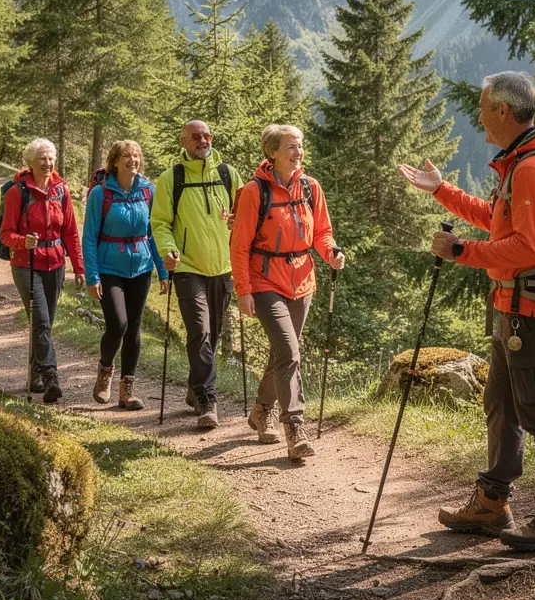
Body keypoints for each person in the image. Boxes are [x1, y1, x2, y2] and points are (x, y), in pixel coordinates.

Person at [398, 71, 535, 551]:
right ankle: (492, 502)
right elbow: (497, 219)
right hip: (518, 306)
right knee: (502, 404)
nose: (478, 115)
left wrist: (462, 252)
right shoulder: (521, 162)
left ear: (503, 111)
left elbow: (524, 248)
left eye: (483, 107)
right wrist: (441, 190)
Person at [231, 124, 344, 461]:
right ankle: (294, 428)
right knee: (289, 352)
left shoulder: (311, 187)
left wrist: (332, 252)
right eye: (291, 147)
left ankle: (260, 410)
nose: (298, 152)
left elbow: (322, 232)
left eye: (300, 146)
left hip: (302, 281)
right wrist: (243, 291)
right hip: (265, 281)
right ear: (273, 153)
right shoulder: (254, 192)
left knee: (283, 354)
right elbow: (239, 246)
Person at [150, 119, 241, 429]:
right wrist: (168, 250)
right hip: (188, 267)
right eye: (195, 137)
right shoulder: (171, 178)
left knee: (212, 335)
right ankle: (207, 399)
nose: (202, 140)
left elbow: (245, 214)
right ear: (184, 141)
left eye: (206, 136)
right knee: (200, 331)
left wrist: (237, 224)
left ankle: (194, 387)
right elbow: (160, 222)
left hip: (223, 268)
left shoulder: (228, 175)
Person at [82, 140, 169, 410]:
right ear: (115, 161)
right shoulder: (101, 194)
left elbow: (154, 234)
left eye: (136, 155)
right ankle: (105, 370)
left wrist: (163, 271)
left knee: (134, 329)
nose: (133, 160)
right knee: (118, 325)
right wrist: (92, 277)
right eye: (126, 156)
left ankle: (127, 390)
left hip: (141, 268)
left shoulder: (148, 192)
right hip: (110, 269)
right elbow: (89, 237)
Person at [0, 137, 84, 404]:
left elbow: (70, 231)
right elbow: (5, 233)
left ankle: (34, 374)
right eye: (42, 159)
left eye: (50, 159)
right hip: (27, 264)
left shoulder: (61, 191)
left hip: (56, 264)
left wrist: (79, 267)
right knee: (41, 321)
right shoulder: (18, 192)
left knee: (43, 324)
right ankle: (50, 377)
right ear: (31, 163)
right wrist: (21, 241)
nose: (48, 163)